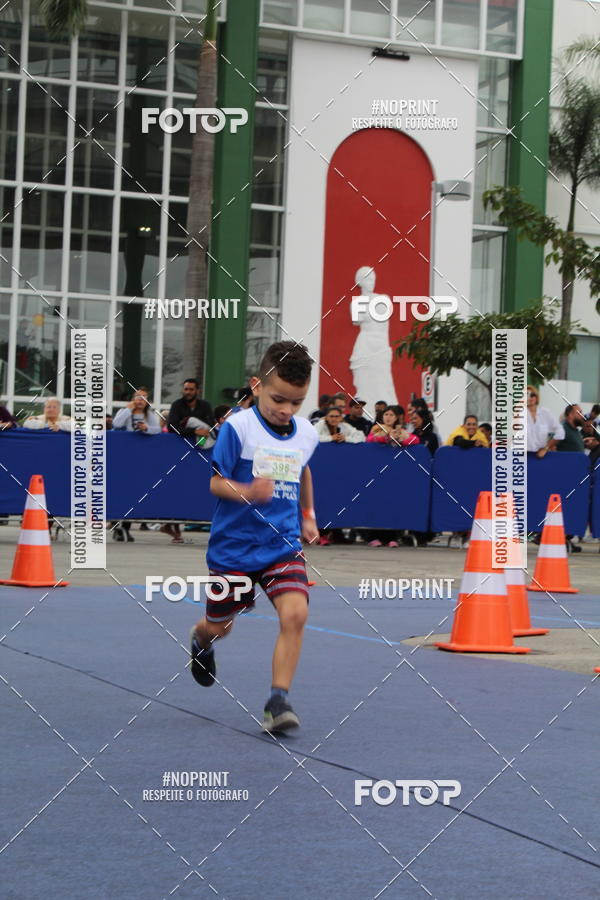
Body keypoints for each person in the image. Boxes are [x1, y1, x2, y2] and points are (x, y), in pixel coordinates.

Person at [189, 341, 320, 733]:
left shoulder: (306, 434)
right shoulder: (238, 428)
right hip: (234, 550)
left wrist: (308, 514)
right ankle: (201, 638)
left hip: (281, 545)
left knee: (295, 614)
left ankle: (277, 701)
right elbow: (216, 482)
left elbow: (304, 471)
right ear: (257, 386)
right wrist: (249, 491)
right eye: (279, 399)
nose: (286, 410)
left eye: (296, 403)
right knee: (221, 626)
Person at [349, 265, 397, 413]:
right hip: (365, 344)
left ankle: (386, 413)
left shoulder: (383, 299)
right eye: (368, 279)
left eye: (373, 279)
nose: (371, 282)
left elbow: (382, 321)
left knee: (383, 381)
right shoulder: (356, 303)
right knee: (363, 381)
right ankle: (366, 412)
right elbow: (358, 319)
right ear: (360, 281)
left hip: (380, 345)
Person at [167, 378, 214, 443]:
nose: (188, 392)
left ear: (197, 391)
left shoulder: (205, 405)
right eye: (186, 389)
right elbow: (172, 427)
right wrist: (194, 431)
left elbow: (211, 425)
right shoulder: (176, 405)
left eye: (191, 389)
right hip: (180, 442)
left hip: (202, 443)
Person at [527, 385, 564, 456]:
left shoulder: (545, 413)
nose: (530, 397)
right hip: (523, 457)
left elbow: (560, 432)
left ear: (537, 397)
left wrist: (546, 448)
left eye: (532, 395)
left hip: (541, 456)